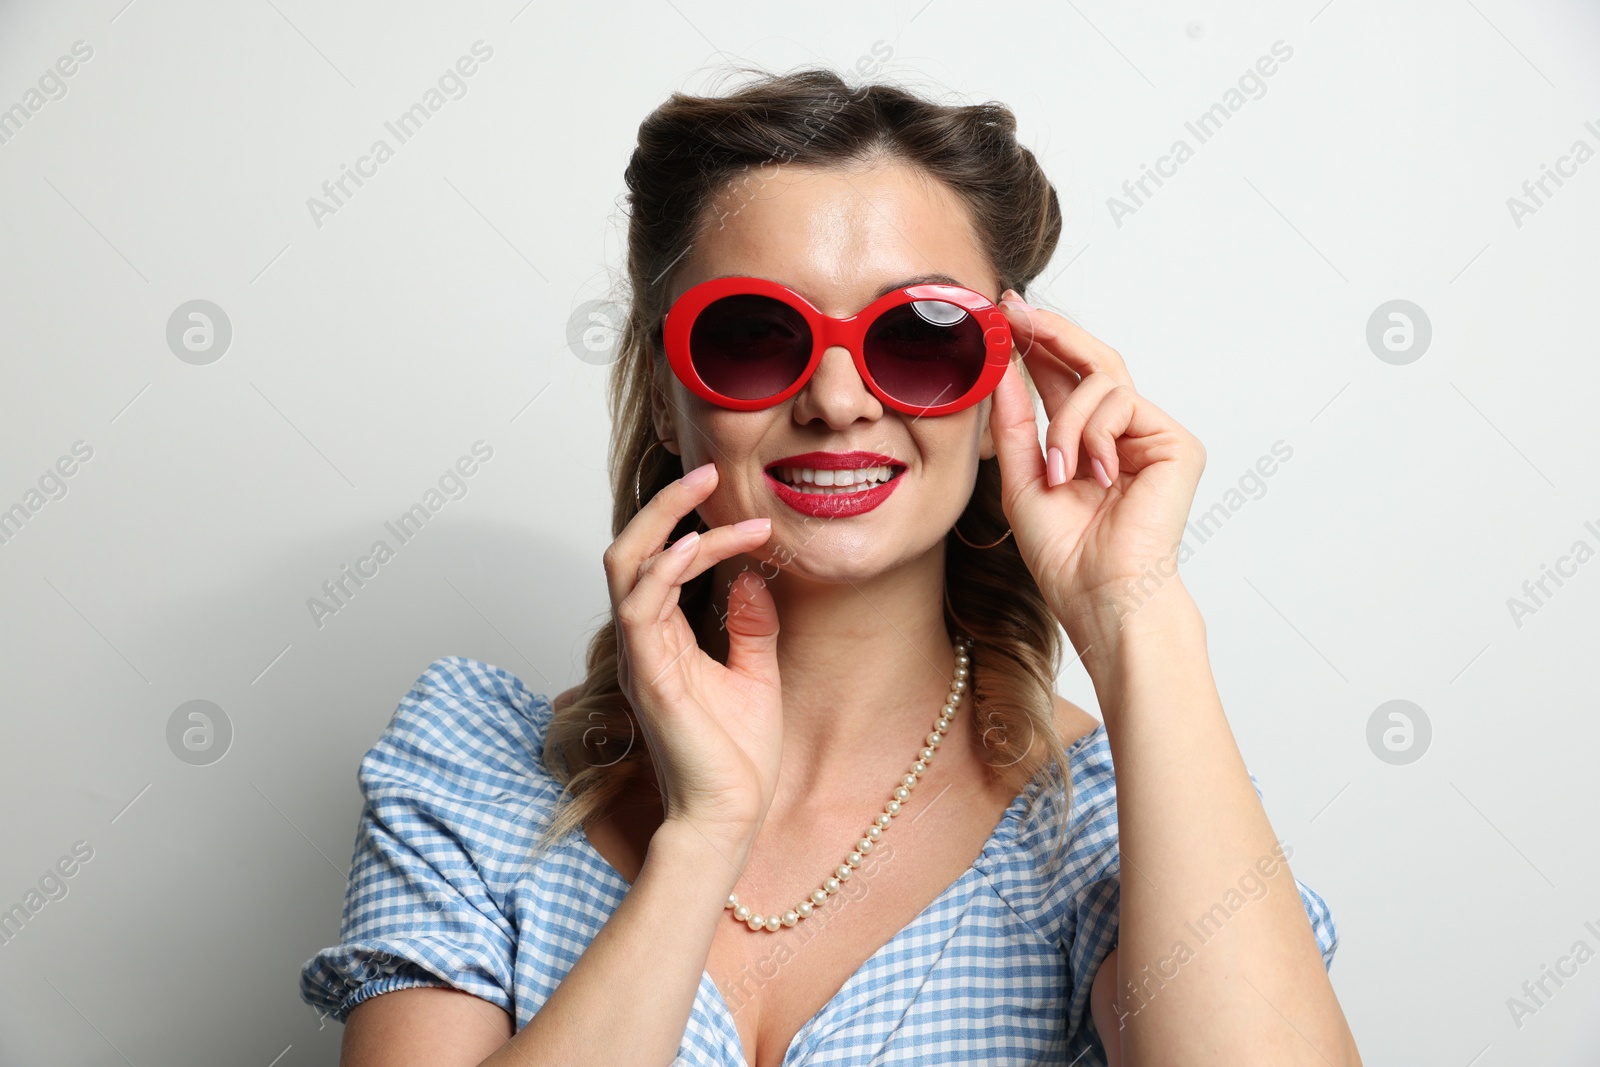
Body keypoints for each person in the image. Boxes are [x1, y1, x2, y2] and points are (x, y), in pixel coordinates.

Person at [299, 67, 1360, 1066]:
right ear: (667, 397)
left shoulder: (1110, 828)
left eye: (922, 334)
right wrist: (702, 839)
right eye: (756, 335)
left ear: (1008, 386)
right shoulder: (476, 774)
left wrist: (1138, 619)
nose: (840, 399)